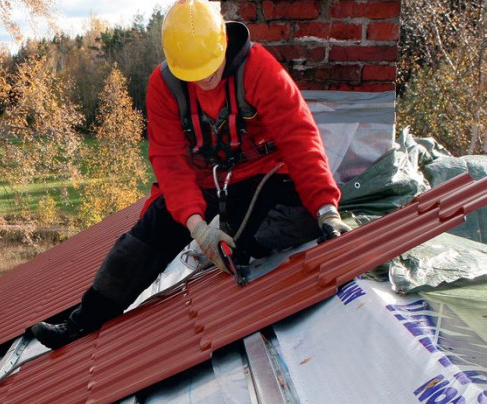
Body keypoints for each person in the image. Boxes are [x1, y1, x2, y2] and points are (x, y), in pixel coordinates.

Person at [31, 0, 352, 350]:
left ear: (222, 45)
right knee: (142, 239)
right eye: (192, 73)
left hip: (262, 179)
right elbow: (169, 161)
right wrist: (196, 225)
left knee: (289, 220)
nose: (202, 79)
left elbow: (299, 139)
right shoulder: (164, 85)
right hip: (203, 183)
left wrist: (326, 209)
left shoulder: (259, 69)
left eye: (209, 70)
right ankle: (82, 322)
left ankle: (241, 246)